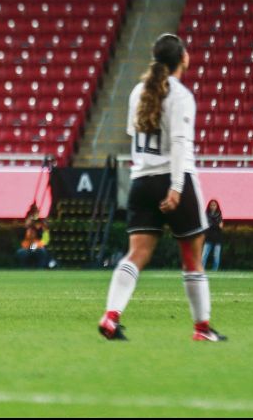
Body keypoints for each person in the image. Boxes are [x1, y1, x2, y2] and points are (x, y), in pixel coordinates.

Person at [98, 33, 226, 342]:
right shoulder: (181, 96)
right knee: (192, 258)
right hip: (173, 178)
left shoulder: (138, 92)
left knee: (135, 254)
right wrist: (177, 188)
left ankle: (111, 316)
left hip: (142, 180)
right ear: (183, 58)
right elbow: (181, 143)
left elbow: (134, 132)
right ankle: (202, 329)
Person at [16, 203, 53, 268]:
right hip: (27, 248)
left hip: (38, 247)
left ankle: (40, 269)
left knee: (42, 252)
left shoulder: (42, 226)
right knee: (21, 253)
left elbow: (45, 240)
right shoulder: (25, 228)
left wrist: (37, 245)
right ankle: (24, 270)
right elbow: (22, 239)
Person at [202, 199, 223, 272]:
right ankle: (201, 270)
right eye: (211, 205)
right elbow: (206, 225)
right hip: (208, 238)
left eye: (214, 205)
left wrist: (213, 225)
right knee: (204, 255)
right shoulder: (206, 214)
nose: (213, 206)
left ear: (217, 206)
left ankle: (215, 271)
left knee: (216, 256)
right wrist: (216, 224)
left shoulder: (219, 214)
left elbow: (221, 226)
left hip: (217, 238)